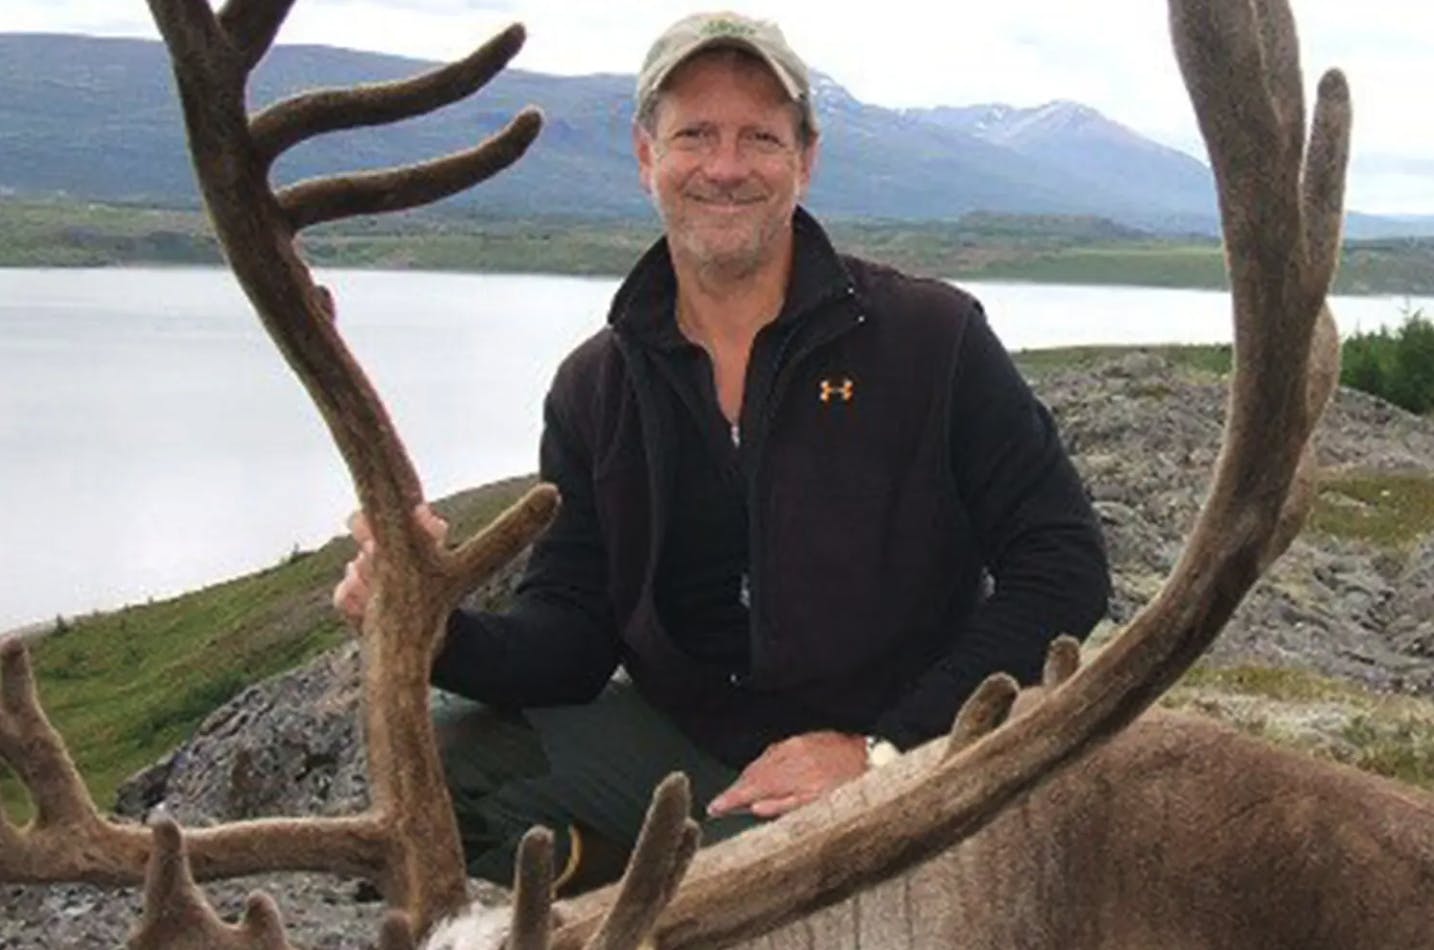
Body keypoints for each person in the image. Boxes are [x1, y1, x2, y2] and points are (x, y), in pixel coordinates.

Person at [333, 11, 1109, 891]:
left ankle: (697, 886)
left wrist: (884, 749)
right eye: (695, 134)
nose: (726, 167)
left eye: (760, 138)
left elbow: (1064, 564)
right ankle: (649, 874)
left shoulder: (932, 338)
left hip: (906, 758)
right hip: (704, 755)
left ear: (805, 160)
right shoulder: (596, 386)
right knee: (443, 767)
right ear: (646, 157)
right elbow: (573, 635)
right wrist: (428, 624)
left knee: (813, 895)